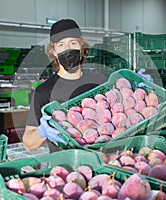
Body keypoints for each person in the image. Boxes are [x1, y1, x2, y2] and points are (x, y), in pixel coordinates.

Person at [23, 19, 108, 151]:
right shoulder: (43, 92)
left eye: (73, 43)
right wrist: (41, 132)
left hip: (101, 159)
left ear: (81, 48)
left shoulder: (100, 81)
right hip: (64, 167)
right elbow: (28, 144)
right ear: (54, 52)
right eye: (61, 45)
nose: (67, 49)